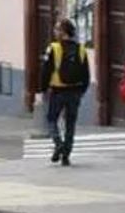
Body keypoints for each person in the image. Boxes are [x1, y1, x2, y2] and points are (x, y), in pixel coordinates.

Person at [39, 18, 91, 165]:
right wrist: (82, 90)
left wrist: (43, 88)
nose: (55, 32)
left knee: (51, 119)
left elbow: (46, 71)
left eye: (57, 29)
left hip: (58, 90)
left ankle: (58, 144)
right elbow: (86, 73)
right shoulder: (81, 49)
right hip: (75, 92)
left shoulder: (53, 48)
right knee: (70, 123)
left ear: (62, 32)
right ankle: (66, 155)